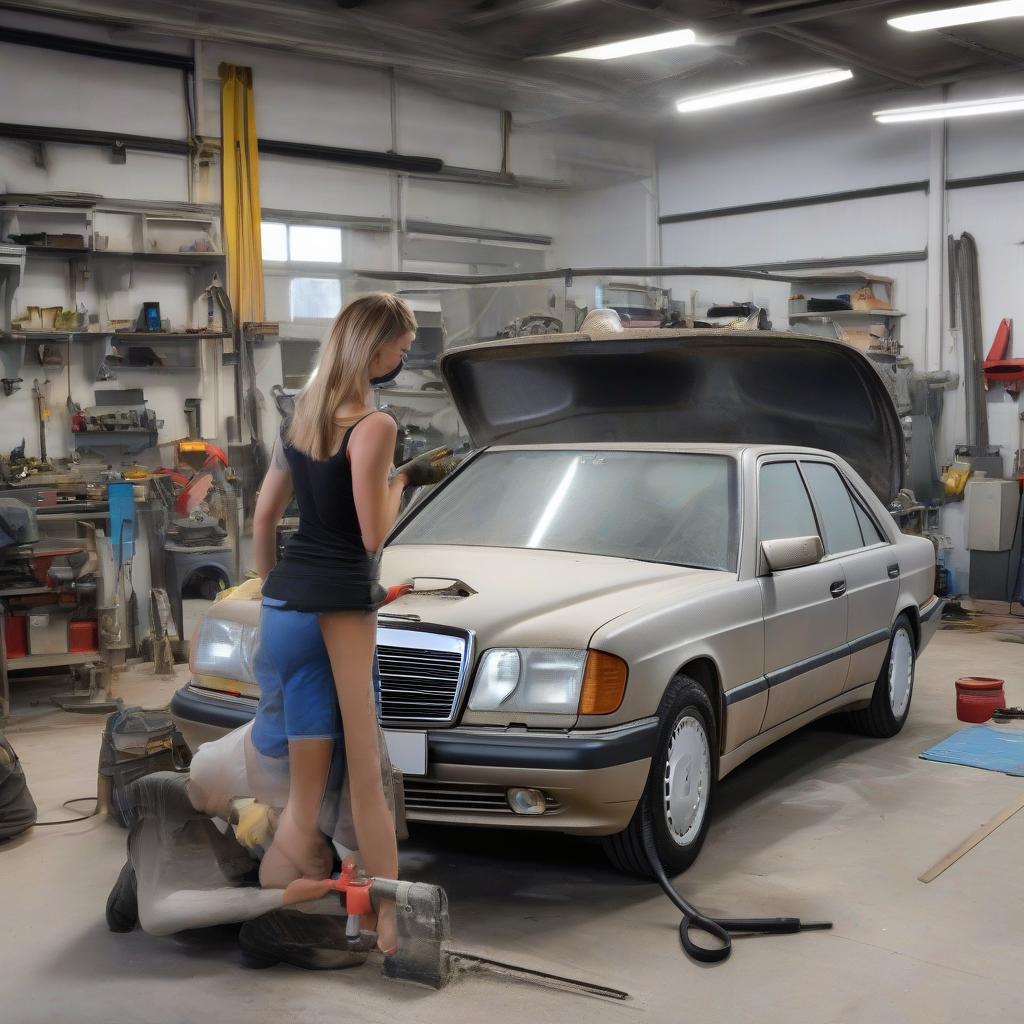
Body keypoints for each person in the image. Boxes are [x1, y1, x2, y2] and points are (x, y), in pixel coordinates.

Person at [250, 292, 452, 955]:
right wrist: (407, 480)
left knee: (301, 784)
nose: (403, 357)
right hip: (339, 605)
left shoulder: (303, 412)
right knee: (366, 769)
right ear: (377, 345)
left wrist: (268, 584)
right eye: (401, 346)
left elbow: (263, 519)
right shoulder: (376, 423)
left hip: (283, 605)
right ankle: (389, 922)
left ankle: (278, 907)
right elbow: (371, 534)